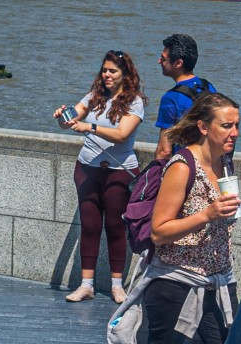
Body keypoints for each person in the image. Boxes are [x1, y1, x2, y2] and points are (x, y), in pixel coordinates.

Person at [144, 93, 241, 344]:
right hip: (177, 283)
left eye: (237, 126)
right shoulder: (182, 166)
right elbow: (158, 231)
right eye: (226, 126)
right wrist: (207, 214)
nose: (234, 133)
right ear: (203, 127)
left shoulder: (225, 163)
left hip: (219, 282)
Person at [54, 50, 146, 304]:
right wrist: (64, 117)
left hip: (119, 172)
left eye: (112, 71)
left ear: (125, 75)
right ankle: (86, 285)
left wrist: (90, 127)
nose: (106, 75)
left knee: (116, 228)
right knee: (90, 226)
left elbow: (122, 134)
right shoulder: (93, 96)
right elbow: (73, 118)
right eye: (104, 70)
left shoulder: (135, 101)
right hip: (87, 169)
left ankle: (117, 286)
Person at [154, 33, 218, 160]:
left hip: (186, 167)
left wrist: (154, 176)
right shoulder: (208, 86)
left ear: (178, 63)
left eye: (163, 58)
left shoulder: (170, 98)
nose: (159, 61)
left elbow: (164, 151)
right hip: (210, 163)